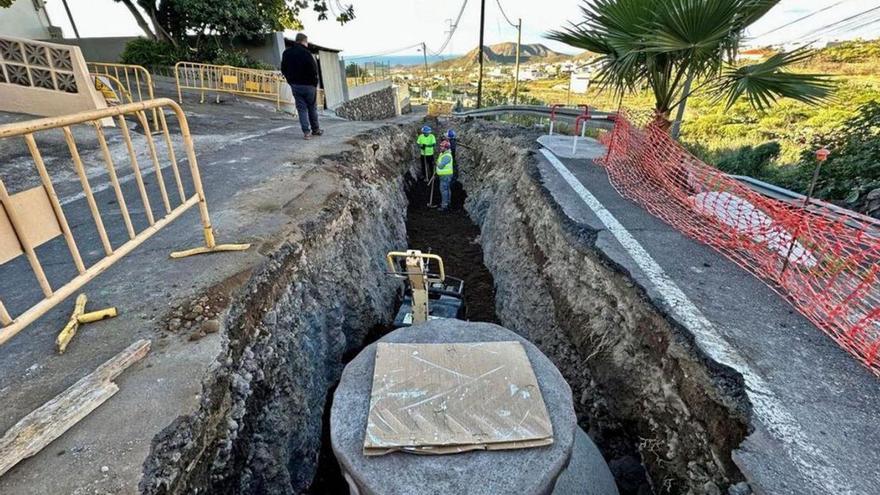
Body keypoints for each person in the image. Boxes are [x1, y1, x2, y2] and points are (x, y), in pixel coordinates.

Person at [281, 33, 322, 140]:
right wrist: (314, 83)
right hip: (309, 86)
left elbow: (283, 69)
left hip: (295, 85)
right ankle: (316, 129)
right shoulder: (307, 53)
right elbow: (314, 70)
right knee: (312, 107)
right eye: (307, 42)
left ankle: (306, 133)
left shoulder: (287, 53)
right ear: (304, 41)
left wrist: (290, 81)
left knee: (301, 109)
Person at [435, 140, 455, 211]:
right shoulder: (442, 154)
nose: (440, 147)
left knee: (444, 190)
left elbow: (440, 166)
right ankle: (448, 203)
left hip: (445, 176)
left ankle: (444, 206)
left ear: (446, 148)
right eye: (440, 146)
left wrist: (436, 164)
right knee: (447, 189)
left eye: (442, 146)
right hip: (444, 175)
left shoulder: (447, 156)